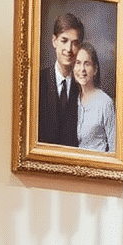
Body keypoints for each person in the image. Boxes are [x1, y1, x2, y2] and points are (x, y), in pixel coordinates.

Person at [37, 12, 84, 146]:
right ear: (54, 41)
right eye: (64, 41)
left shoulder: (84, 88)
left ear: (80, 47)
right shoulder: (37, 81)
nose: (69, 49)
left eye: (74, 43)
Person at [73, 43, 116, 153]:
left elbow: (114, 148)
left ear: (95, 69)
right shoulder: (71, 99)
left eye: (87, 64)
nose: (82, 69)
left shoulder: (105, 103)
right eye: (78, 63)